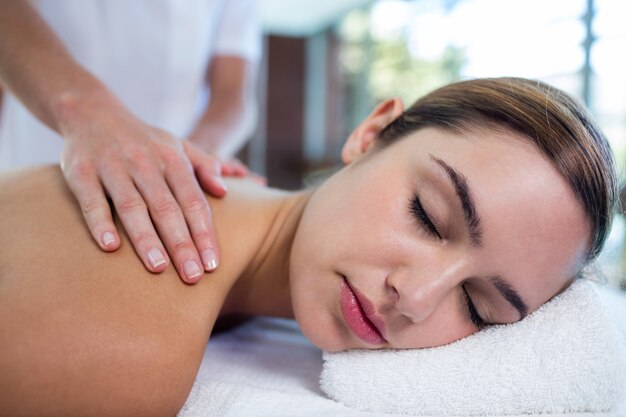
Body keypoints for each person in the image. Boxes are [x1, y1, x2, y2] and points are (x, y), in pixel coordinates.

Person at [0, 78, 617, 417]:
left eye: (478, 306)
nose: (417, 297)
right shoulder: (135, 354)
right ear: (370, 133)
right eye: (426, 216)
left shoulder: (230, 216)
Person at [0, 0, 261, 282]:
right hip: (40, 162)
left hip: (177, 181)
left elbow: (234, 95)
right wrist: (82, 111)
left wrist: (194, 157)